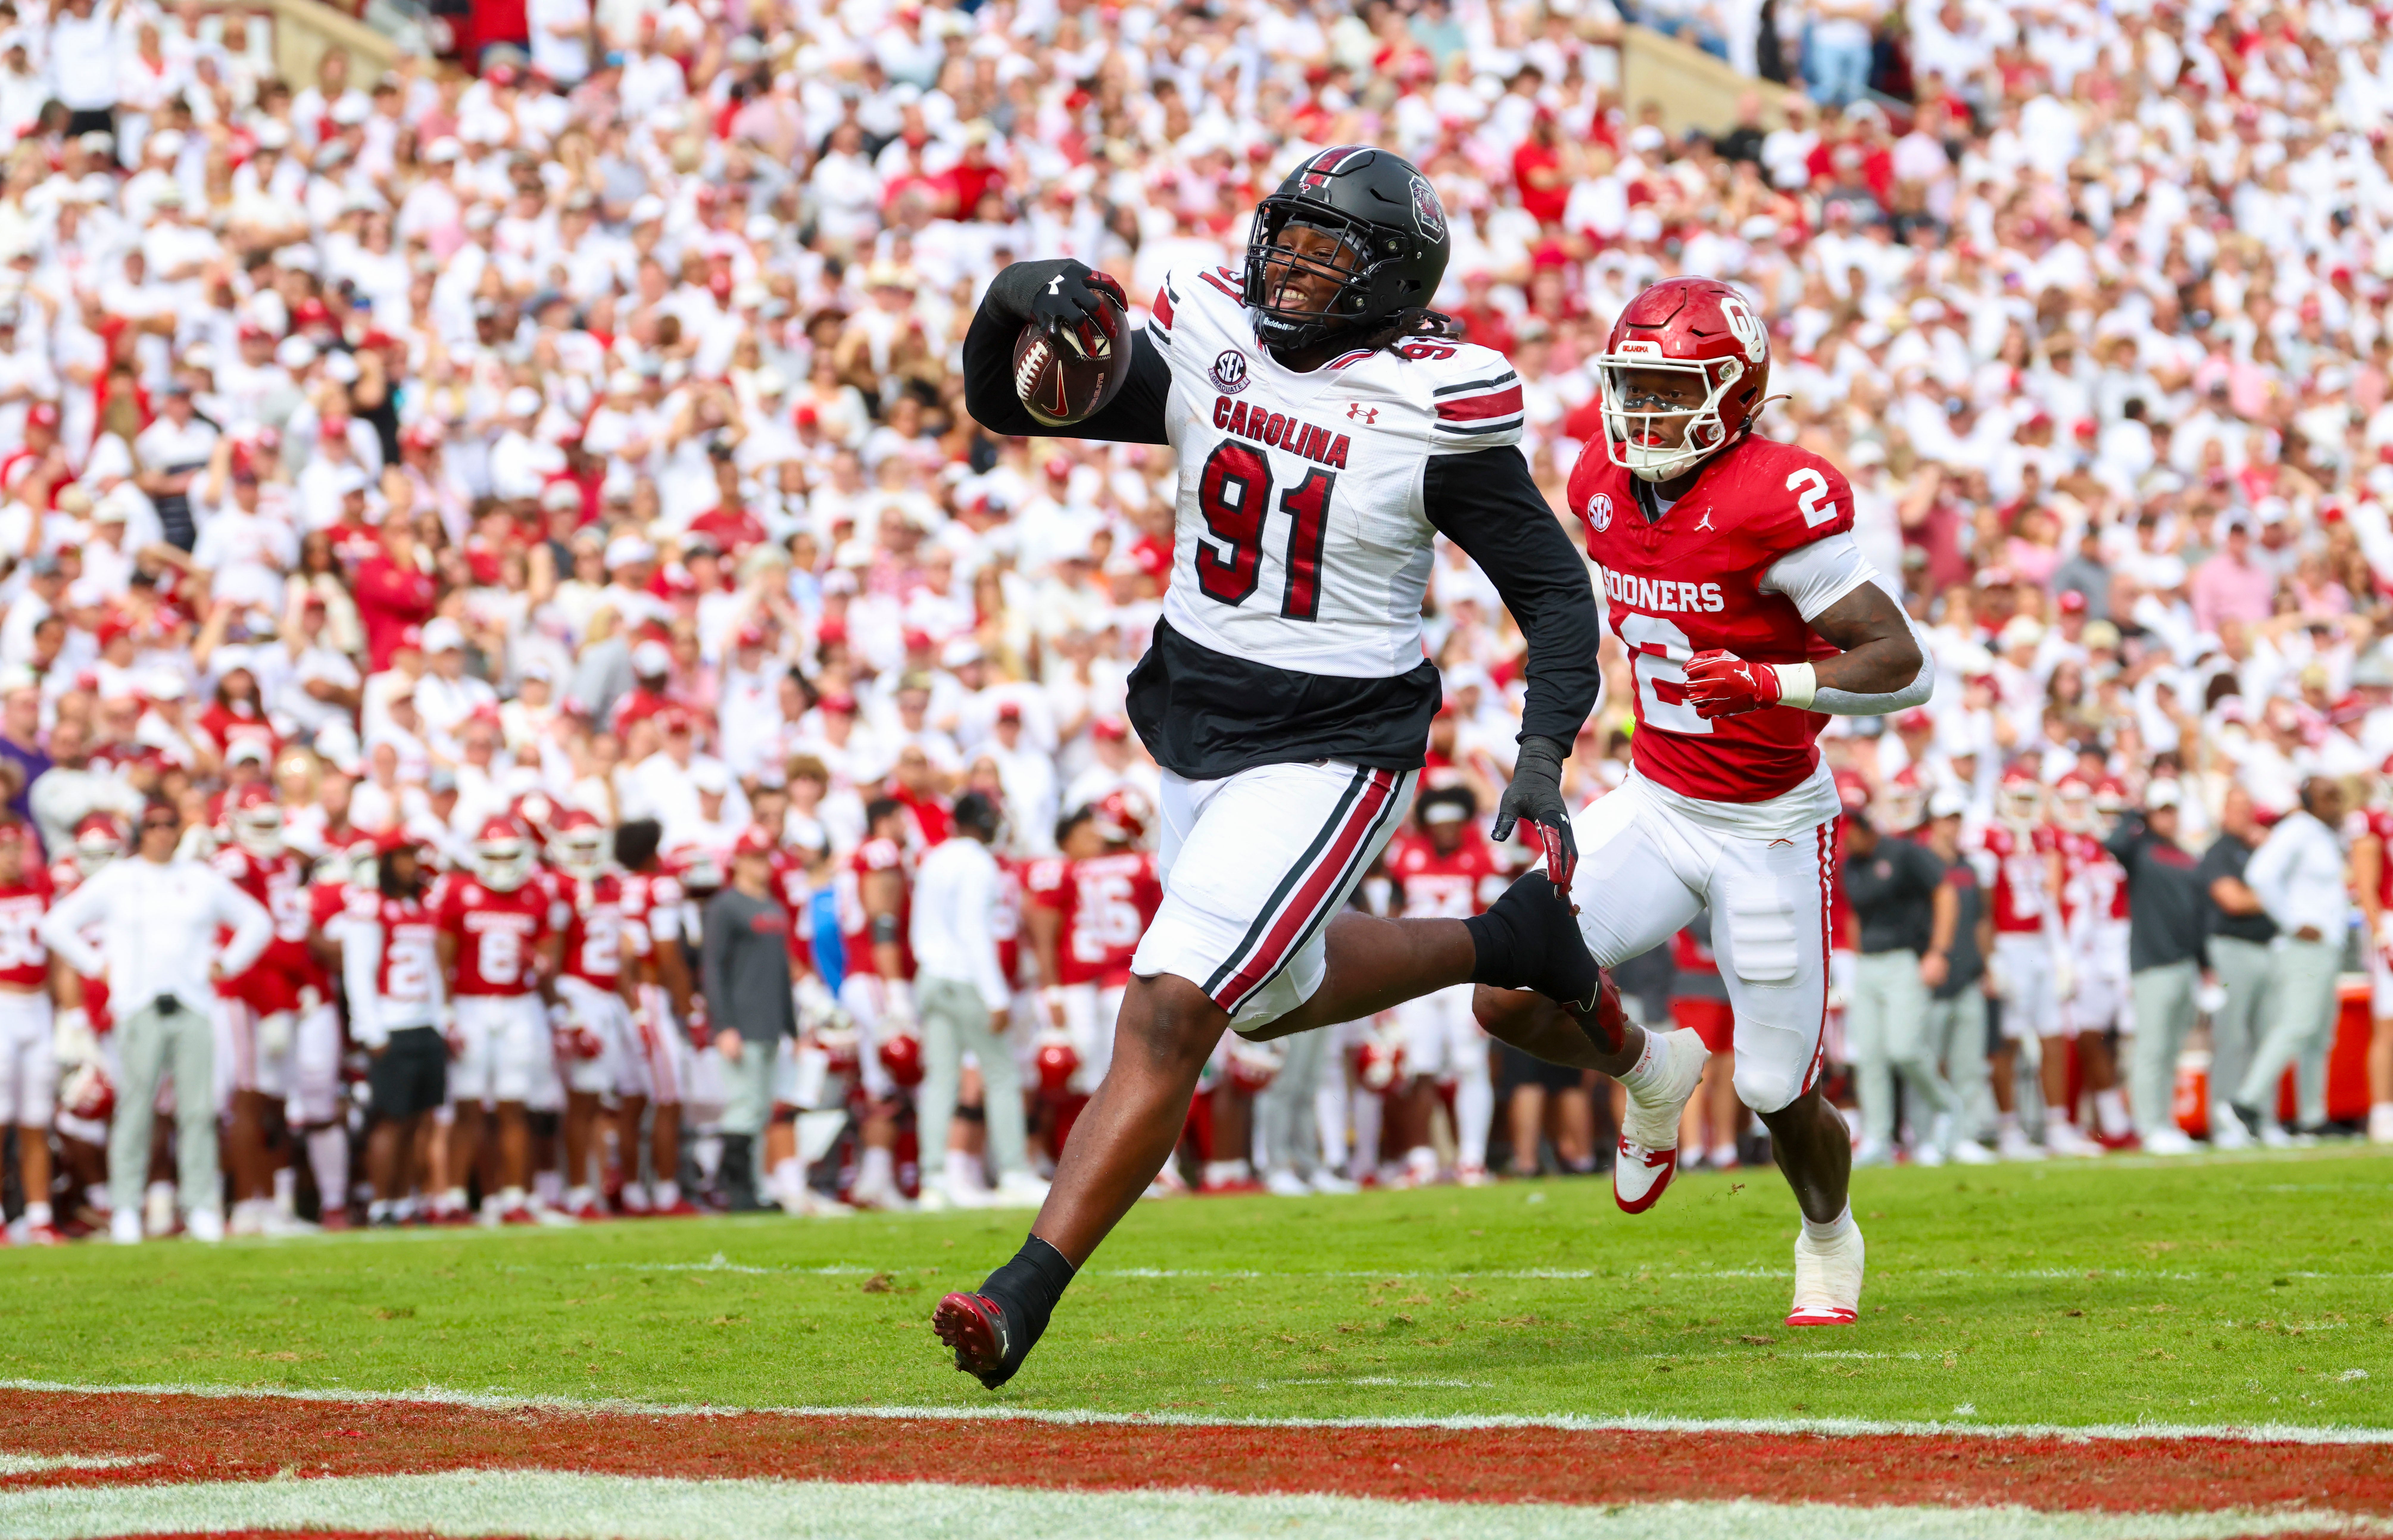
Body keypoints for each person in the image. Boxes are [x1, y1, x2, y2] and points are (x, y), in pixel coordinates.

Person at [935, 145, 1604, 1389]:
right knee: (1266, 996)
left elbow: (1557, 597)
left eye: (1322, 250)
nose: (1287, 268)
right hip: (1195, 715)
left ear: (1389, 275)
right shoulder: (1211, 338)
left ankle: (1018, 1294)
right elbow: (1010, 403)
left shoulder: (1431, 403)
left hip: (1333, 740)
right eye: (1282, 239)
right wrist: (1011, 297)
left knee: (1172, 1002)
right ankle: (1506, 939)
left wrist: (1541, 749)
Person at [1480, 274, 1936, 1329]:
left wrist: (1775, 681)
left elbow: (1902, 663)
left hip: (1768, 824)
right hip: (1655, 800)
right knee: (1504, 987)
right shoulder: (1599, 482)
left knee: (1777, 1090)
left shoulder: (1778, 496)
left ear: (1738, 393)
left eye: (1671, 390)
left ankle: (1828, 1234)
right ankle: (1654, 1069)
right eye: (1633, 387)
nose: (1644, 413)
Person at [42, 798, 272, 1244]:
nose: (163, 832)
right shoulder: (119, 879)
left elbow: (257, 922)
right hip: (138, 1005)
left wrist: (228, 962)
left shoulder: (200, 878)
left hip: (193, 1002)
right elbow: (58, 925)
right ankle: (127, 1207)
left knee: (198, 1111)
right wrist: (96, 965)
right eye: (153, 825)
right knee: (135, 1109)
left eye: (170, 824)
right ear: (140, 832)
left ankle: (201, 1205)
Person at [912, 791, 1044, 1210]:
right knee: (1002, 1075)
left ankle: (933, 1179)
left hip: (931, 975)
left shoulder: (934, 858)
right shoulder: (978, 864)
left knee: (940, 1080)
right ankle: (1014, 1172)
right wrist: (995, 995)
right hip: (966, 978)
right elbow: (973, 930)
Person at [2229, 777, 2351, 1144]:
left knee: (2318, 1034)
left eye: (2337, 797)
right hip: (2304, 947)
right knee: (2298, 1024)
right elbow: (2259, 875)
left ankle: (2312, 1116)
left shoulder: (2323, 834)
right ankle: (2246, 1100)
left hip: (2326, 946)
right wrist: (2292, 921)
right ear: (2308, 800)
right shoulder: (2297, 830)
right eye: (2327, 797)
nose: (2335, 804)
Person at [1840, 804, 1963, 1165]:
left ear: (1865, 829)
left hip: (1904, 959)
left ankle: (1946, 1106)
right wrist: (1858, 956)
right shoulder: (1850, 865)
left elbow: (1945, 893)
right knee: (1869, 1055)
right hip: (1868, 963)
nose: (1845, 842)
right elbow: (1856, 915)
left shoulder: (1903, 853)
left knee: (1904, 1049)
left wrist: (1939, 952)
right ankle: (1878, 1138)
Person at [344, 829, 446, 1227]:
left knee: (419, 1120)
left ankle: (403, 1200)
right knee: (390, 1118)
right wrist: (370, 1030)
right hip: (391, 1024)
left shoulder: (420, 904)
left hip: (424, 1021)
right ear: (385, 863)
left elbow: (432, 969)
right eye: (401, 857)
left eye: (412, 856)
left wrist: (440, 1020)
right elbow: (359, 972)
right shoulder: (371, 906)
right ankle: (380, 1203)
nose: (409, 865)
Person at [2103, 780, 2206, 1154]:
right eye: (2160, 810)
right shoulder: (2140, 848)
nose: (2167, 817)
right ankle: (2147, 1126)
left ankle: (2164, 1122)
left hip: (2184, 963)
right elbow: (2112, 843)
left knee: (2171, 1051)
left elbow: (2197, 912)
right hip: (2152, 962)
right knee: (2151, 1047)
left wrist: (2204, 962)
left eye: (2171, 810)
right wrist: (2135, 812)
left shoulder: (2184, 854)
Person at [701, 824, 792, 1212]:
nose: (762, 865)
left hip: (769, 1021)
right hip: (743, 1021)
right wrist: (723, 1025)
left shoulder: (773, 906)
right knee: (744, 1104)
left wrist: (792, 1026)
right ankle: (735, 1189)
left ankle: (753, 1187)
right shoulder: (726, 907)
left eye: (766, 856)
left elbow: (782, 972)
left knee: (761, 1109)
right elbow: (713, 968)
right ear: (738, 861)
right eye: (755, 857)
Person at [2197, 785, 2274, 1151]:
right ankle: (2223, 1119)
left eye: (2248, 807)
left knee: (2266, 1038)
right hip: (2231, 949)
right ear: (2224, 812)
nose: (2243, 814)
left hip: (2266, 947)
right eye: (2236, 807)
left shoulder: (2260, 849)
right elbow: (2233, 900)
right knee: (2232, 1039)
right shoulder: (2220, 851)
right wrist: (2278, 896)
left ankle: (2262, 1120)